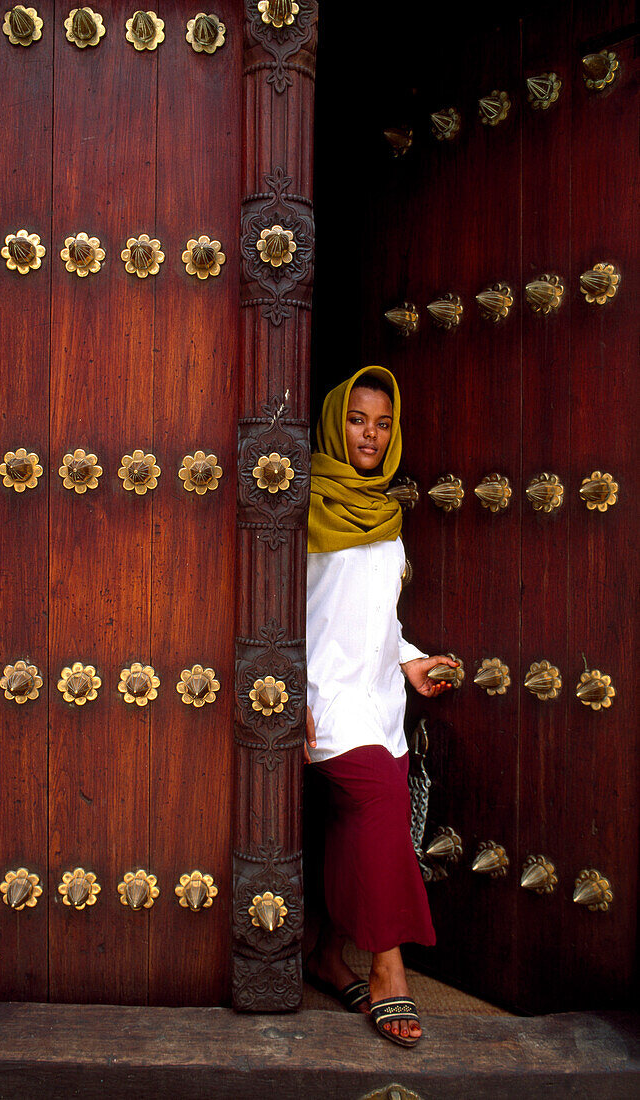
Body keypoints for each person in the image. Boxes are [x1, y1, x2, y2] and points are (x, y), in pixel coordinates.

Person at [304, 365, 457, 1047]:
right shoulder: (299, 500)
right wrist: (281, 694)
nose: (369, 434)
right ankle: (388, 969)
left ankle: (323, 953)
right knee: (378, 810)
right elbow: (277, 608)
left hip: (379, 700)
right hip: (321, 699)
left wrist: (410, 659)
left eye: (382, 422)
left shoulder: (386, 513)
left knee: (357, 825)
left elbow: (377, 616)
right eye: (357, 419)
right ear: (335, 424)